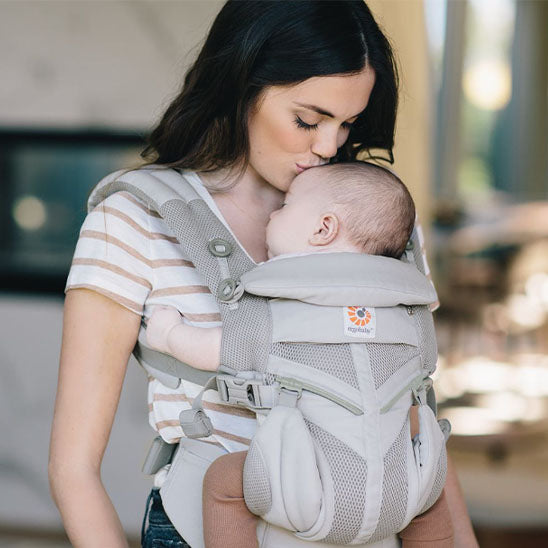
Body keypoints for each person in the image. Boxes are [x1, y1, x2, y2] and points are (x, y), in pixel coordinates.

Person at [48, 1, 477, 547]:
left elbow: (413, 418)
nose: (329, 147)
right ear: (241, 85)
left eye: (347, 124)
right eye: (308, 119)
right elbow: (74, 470)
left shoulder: (372, 219)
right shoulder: (135, 220)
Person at [145, 161, 455, 548]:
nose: (274, 213)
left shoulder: (284, 306)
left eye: (286, 205)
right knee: (432, 500)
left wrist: (171, 334)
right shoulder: (403, 315)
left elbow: (223, 350)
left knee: (222, 481)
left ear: (323, 229)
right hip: (397, 492)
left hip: (304, 489)